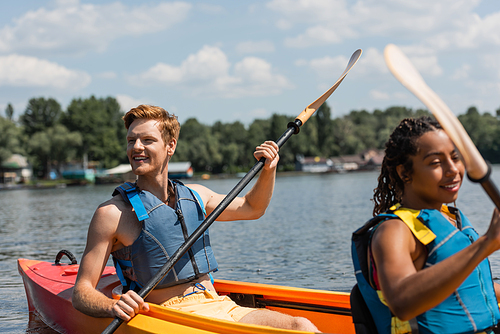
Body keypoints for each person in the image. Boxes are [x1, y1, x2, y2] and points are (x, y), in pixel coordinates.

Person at [72, 104, 319, 332]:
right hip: (168, 316)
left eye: (147, 140)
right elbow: (82, 291)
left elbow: (252, 208)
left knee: (302, 326)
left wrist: (269, 169)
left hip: (222, 306)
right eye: (131, 141)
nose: (136, 147)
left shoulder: (196, 196)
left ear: (170, 146)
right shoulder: (112, 213)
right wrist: (111, 307)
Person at [351, 116, 500, 334]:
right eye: (436, 163)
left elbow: (473, 287)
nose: (453, 170)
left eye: (456, 158)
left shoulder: (450, 218)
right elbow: (402, 303)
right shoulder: (394, 231)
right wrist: (486, 244)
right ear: (404, 173)